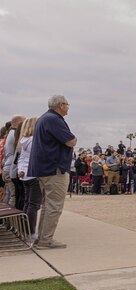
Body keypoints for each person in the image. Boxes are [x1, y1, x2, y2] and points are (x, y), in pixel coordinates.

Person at [28, 95, 76, 249]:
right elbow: (70, 141)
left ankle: (42, 237)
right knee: (54, 205)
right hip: (54, 168)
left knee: (48, 205)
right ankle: (45, 240)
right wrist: (74, 139)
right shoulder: (54, 119)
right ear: (61, 105)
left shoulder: (44, 118)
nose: (68, 107)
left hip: (44, 168)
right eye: (67, 104)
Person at [17, 117, 40, 242]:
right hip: (34, 175)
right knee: (33, 205)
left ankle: (25, 230)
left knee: (27, 203)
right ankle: (30, 232)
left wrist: (20, 170)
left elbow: (21, 159)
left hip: (25, 175)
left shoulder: (23, 140)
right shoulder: (34, 140)